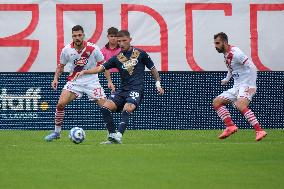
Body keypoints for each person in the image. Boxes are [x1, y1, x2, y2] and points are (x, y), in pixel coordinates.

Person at [73, 30, 165, 144]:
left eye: (124, 41)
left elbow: (153, 69)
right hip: (122, 90)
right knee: (105, 108)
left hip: (136, 89)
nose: (121, 43)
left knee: (128, 108)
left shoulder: (140, 53)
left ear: (130, 40)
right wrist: (84, 72)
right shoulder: (117, 58)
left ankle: (119, 136)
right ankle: (112, 136)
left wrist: (158, 84)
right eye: (119, 41)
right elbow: (100, 68)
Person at [44, 25, 115, 141]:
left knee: (105, 108)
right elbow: (61, 66)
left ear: (83, 35)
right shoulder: (66, 50)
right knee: (60, 104)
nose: (77, 38)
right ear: (72, 36)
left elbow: (104, 66)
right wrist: (55, 78)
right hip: (75, 82)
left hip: (92, 82)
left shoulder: (93, 49)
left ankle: (112, 134)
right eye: (74, 36)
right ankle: (57, 133)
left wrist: (109, 81)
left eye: (79, 35)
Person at [212, 32, 267, 141]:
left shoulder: (236, 53)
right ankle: (230, 126)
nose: (215, 46)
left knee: (240, 104)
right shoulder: (226, 54)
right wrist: (227, 79)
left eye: (217, 43)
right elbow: (231, 68)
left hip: (246, 85)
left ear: (225, 42)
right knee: (217, 102)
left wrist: (251, 85)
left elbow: (252, 67)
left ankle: (259, 130)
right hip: (237, 86)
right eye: (214, 43)